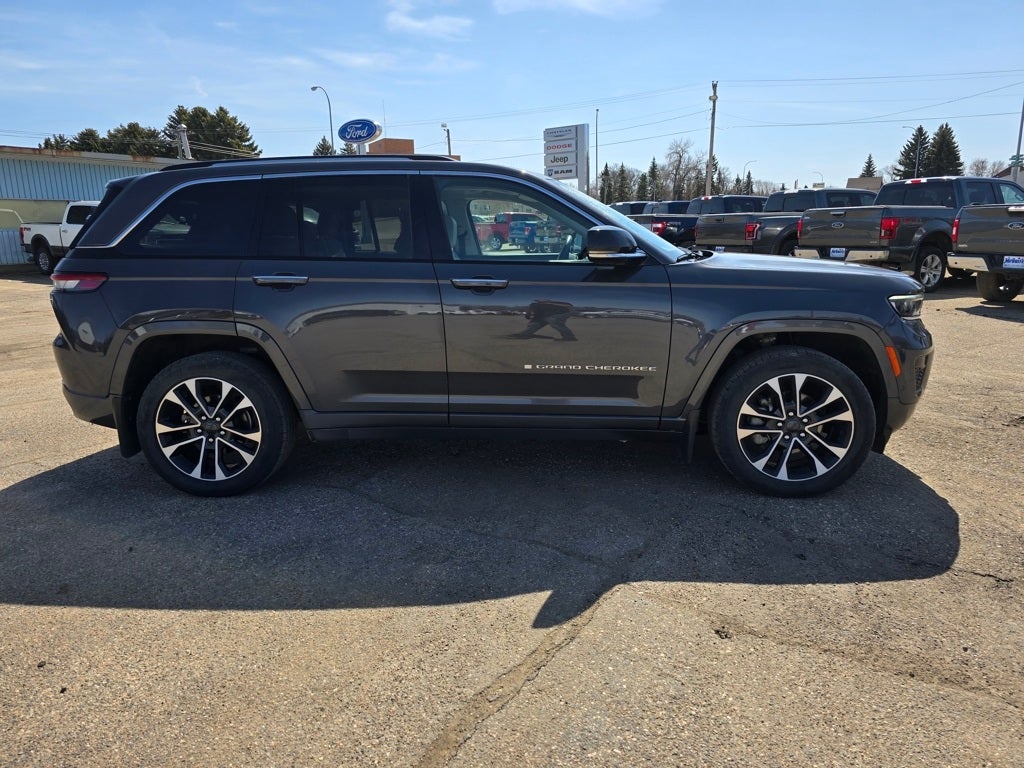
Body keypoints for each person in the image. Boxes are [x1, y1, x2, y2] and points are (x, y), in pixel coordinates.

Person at [510, 299, 577, 341]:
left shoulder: (550, 304)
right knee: (536, 323)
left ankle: (569, 337)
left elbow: (569, 305)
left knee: (553, 320)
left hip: (565, 311)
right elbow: (535, 317)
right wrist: (531, 322)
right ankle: (525, 334)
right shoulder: (533, 306)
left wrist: (549, 302)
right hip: (547, 314)